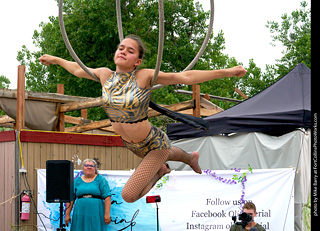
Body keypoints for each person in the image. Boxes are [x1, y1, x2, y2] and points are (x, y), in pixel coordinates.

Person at [39, 34, 247, 203]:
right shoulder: (105, 75)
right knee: (169, 154)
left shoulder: (143, 76)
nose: (123, 51)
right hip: (132, 145)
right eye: (121, 48)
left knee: (128, 196)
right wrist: (55, 59)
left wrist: (227, 72)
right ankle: (190, 158)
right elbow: (77, 69)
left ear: (137, 61)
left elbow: (185, 77)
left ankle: (162, 171)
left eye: (130, 51)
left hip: (155, 142)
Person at [65, 158, 111, 231]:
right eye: (86, 165)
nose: (89, 167)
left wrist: (107, 214)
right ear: (83, 168)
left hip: (97, 212)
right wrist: (67, 214)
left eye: (91, 166)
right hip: (80, 212)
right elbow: (71, 198)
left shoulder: (101, 179)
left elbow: (107, 197)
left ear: (95, 168)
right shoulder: (76, 181)